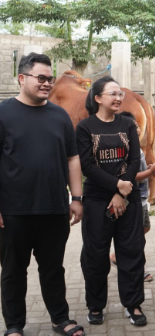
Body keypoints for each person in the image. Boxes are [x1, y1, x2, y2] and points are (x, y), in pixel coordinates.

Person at [0, 53, 85, 336]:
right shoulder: (3, 113)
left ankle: (60, 319)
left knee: (53, 269)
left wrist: (76, 198)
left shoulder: (59, 115)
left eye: (50, 78)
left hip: (54, 208)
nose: (47, 83)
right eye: (41, 78)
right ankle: (14, 326)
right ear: (22, 78)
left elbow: (73, 158)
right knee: (13, 272)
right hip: (13, 211)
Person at [76, 76, 147, 327]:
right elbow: (87, 166)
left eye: (120, 94)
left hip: (128, 199)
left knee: (131, 252)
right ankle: (95, 305)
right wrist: (116, 185)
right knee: (95, 255)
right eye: (112, 94)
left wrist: (122, 193)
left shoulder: (127, 124)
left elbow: (133, 159)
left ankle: (133, 303)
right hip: (96, 200)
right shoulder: (85, 128)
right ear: (98, 98)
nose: (118, 98)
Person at [109, 111, 155, 282]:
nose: (138, 130)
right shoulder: (125, 150)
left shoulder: (136, 148)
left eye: (137, 127)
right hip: (131, 198)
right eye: (133, 127)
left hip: (142, 198)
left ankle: (119, 256)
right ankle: (136, 269)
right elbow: (131, 177)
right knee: (135, 236)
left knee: (144, 229)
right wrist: (150, 172)